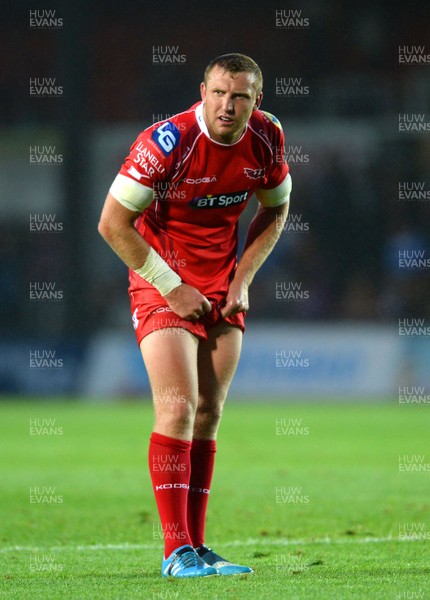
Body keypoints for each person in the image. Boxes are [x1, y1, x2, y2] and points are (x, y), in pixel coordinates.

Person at [98, 53, 292, 578]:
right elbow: (113, 224)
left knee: (208, 414)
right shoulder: (168, 142)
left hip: (221, 286)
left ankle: (198, 548)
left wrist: (243, 278)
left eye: (241, 97)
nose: (228, 106)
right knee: (178, 407)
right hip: (162, 281)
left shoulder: (268, 138)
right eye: (219, 94)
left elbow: (276, 210)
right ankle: (174, 552)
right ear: (202, 91)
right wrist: (172, 285)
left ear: (257, 101)